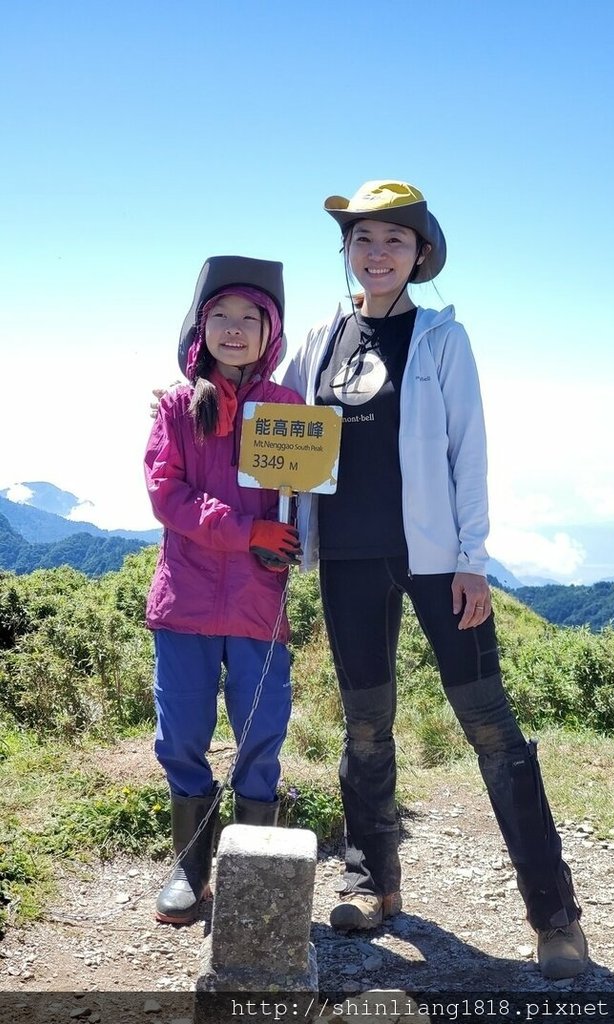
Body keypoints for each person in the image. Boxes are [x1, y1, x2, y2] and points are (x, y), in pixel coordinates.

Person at [279, 180, 589, 980]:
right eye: (363, 239)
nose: (376, 253)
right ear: (346, 251)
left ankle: (553, 915)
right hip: (346, 555)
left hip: (435, 559)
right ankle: (371, 880)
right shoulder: (318, 339)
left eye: (394, 240)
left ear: (420, 255)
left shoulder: (442, 338)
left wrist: (472, 559)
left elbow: (468, 449)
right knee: (362, 726)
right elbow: (275, 428)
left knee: (492, 730)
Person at [145, 255, 303, 926]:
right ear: (198, 326)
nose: (233, 330)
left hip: (257, 603)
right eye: (220, 317)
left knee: (260, 734)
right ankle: (189, 870)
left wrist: (291, 535)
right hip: (183, 601)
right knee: (181, 733)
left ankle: (254, 867)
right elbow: (165, 493)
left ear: (272, 332)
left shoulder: (289, 411)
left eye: (249, 319)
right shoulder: (180, 406)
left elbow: (303, 499)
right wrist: (247, 532)